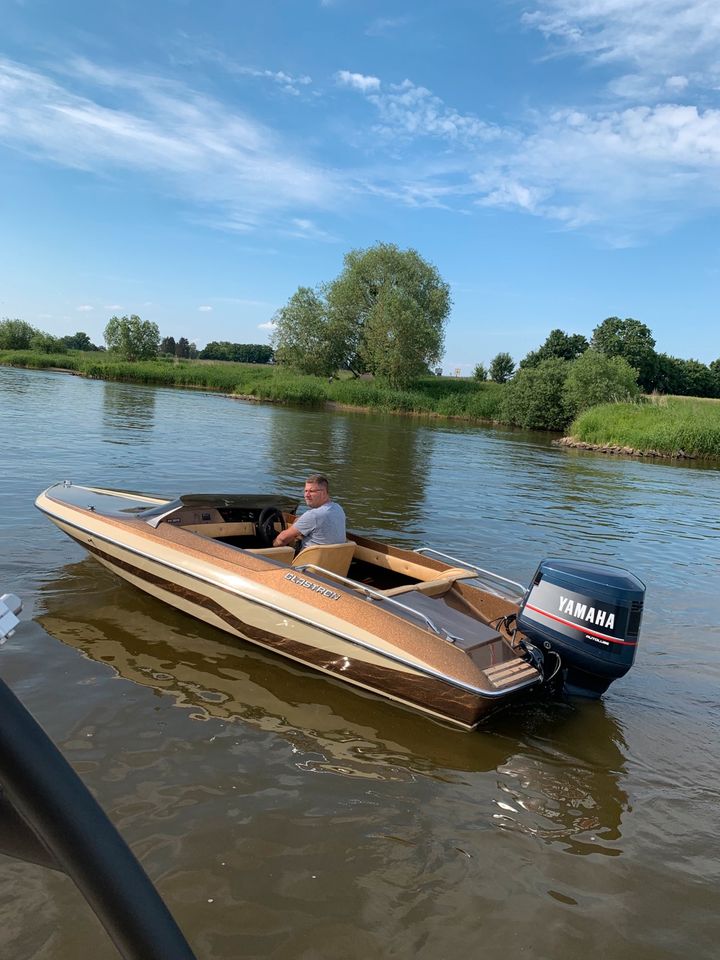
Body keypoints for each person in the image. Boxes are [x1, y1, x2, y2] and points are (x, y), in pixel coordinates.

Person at [273, 474, 346, 550]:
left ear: (323, 493)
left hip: (306, 561)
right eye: (305, 491)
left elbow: (282, 539)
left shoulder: (313, 515)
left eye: (311, 491)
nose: (307, 495)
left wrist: (271, 545)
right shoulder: (338, 508)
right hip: (335, 559)